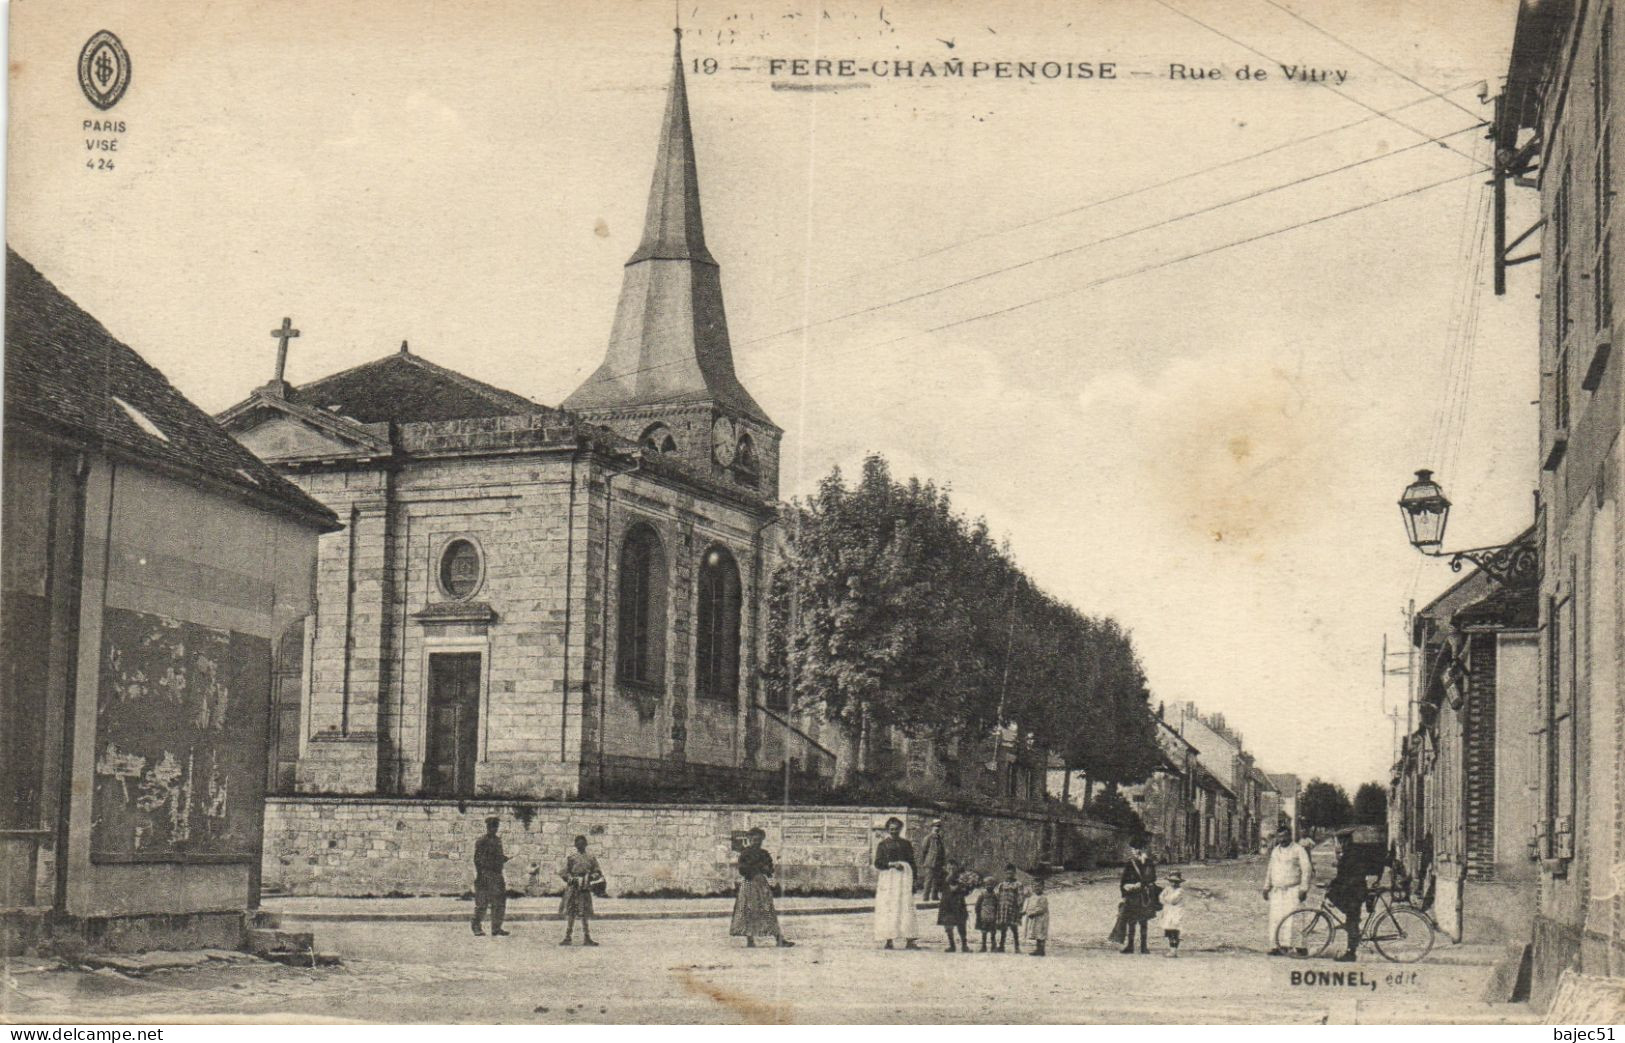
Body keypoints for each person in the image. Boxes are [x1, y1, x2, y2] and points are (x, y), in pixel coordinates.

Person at [730, 827, 793, 948]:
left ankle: (779, 939)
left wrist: (767, 869)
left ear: (762, 840)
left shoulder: (764, 853)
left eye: (759, 839)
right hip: (749, 883)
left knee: (768, 910)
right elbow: (742, 870)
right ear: (749, 839)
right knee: (748, 911)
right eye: (754, 839)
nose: (757, 842)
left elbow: (770, 869)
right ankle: (750, 940)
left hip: (761, 884)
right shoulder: (745, 853)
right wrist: (758, 867)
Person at [1262, 824, 1312, 956]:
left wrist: (1304, 888)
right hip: (1278, 891)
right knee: (1276, 918)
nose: (1282, 840)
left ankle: (1299, 947)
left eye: (1285, 836)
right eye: (1280, 837)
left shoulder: (1298, 850)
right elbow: (1270, 870)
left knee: (1294, 918)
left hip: (1293, 889)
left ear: (1290, 836)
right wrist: (1266, 887)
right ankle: (1277, 946)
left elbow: (1307, 870)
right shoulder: (1275, 851)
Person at [873, 817, 920, 950]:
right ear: (888, 830)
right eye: (891, 829)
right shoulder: (883, 845)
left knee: (905, 906)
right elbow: (878, 863)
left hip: (905, 878)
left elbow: (912, 862)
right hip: (889, 879)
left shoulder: (906, 844)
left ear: (900, 829)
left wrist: (914, 881)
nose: (894, 831)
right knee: (889, 906)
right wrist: (891, 864)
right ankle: (889, 939)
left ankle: (910, 939)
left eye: (896, 829)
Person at [1326, 829, 1369, 963]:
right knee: (1351, 917)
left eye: (1341, 841)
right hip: (1354, 891)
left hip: (1355, 892)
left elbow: (1350, 876)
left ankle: (1351, 953)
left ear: (1346, 841)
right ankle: (1353, 927)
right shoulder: (1351, 852)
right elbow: (1343, 875)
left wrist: (1337, 885)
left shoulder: (1352, 854)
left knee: (1351, 919)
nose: (1340, 844)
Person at [1113, 836, 1159, 955]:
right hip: (1132, 896)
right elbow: (1123, 880)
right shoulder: (1130, 864)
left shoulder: (1148, 863)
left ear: (1140, 850)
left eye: (1135, 849)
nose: (1133, 851)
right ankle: (1130, 945)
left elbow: (1153, 878)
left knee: (1144, 922)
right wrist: (1125, 889)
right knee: (1131, 921)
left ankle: (1144, 946)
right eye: (1133, 849)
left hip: (1144, 896)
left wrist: (1142, 883)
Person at [559, 834, 604, 946]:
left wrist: (591, 877)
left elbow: (598, 871)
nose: (580, 845)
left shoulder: (591, 858)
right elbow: (565, 872)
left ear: (586, 844)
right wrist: (570, 878)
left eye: (582, 843)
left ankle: (587, 938)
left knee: (584, 913)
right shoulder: (571, 858)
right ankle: (568, 937)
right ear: (575, 845)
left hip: (584, 888)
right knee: (571, 912)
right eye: (578, 843)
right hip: (573, 888)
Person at [471, 816, 511, 937]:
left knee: (499, 903)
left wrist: (503, 859)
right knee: (482, 903)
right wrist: (481, 875)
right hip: (485, 875)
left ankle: (496, 928)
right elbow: (477, 860)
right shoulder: (481, 841)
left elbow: (498, 856)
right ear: (488, 827)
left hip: (497, 876)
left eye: (496, 827)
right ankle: (476, 926)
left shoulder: (498, 841)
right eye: (492, 827)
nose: (494, 829)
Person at [936, 858, 971, 951]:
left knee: (961, 924)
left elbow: (967, 890)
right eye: (949, 866)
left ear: (957, 867)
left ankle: (964, 945)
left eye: (953, 866)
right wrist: (947, 881)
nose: (951, 868)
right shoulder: (942, 876)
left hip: (958, 903)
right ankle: (952, 945)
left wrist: (959, 888)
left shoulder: (961, 876)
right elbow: (938, 887)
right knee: (948, 925)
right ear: (946, 867)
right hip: (946, 904)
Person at [994, 864, 1026, 953]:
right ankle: (1001, 946)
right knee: (1003, 928)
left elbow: (1020, 897)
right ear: (1005, 873)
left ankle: (1017, 947)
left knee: (1014, 928)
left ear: (1014, 873)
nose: (1009, 874)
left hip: (1013, 909)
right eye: (1007, 872)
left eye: (1011, 873)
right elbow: (996, 895)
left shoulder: (1018, 884)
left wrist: (1020, 908)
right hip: (1003, 909)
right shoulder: (1001, 885)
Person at [919, 819, 948, 901]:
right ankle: (925, 897)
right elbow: (923, 851)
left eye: (939, 826)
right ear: (932, 827)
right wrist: (924, 862)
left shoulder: (939, 839)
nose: (937, 828)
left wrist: (943, 862)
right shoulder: (928, 838)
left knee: (936, 880)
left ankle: (934, 896)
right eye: (935, 826)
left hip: (938, 863)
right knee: (928, 880)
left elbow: (942, 851)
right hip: (930, 863)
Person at [1022, 876, 1050, 957]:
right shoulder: (1032, 897)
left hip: (1041, 919)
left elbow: (1042, 909)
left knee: (1041, 934)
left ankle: (1041, 950)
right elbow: (1029, 905)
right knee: (1037, 934)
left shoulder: (1043, 898)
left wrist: (1033, 913)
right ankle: (1038, 949)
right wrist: (1025, 911)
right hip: (1035, 919)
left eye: (1039, 886)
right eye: (1034, 886)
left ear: (1043, 887)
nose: (1036, 888)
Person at [1160, 869, 1186, 958]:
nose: (1174, 884)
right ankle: (1171, 950)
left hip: (1176, 913)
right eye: (1172, 881)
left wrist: (1166, 898)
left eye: (1176, 882)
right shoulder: (1167, 889)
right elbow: (1160, 898)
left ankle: (1174, 951)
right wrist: (1165, 899)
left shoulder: (1180, 891)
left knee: (1175, 931)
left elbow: (1173, 900)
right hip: (1168, 913)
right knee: (1169, 931)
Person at [974, 873, 1000, 952]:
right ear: (985, 885)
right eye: (987, 884)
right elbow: (977, 906)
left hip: (992, 916)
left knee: (993, 932)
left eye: (991, 885)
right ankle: (983, 946)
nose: (989, 886)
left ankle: (993, 946)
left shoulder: (995, 895)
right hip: (983, 916)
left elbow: (997, 905)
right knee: (984, 932)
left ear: (994, 886)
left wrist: (997, 914)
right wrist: (978, 915)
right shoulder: (982, 895)